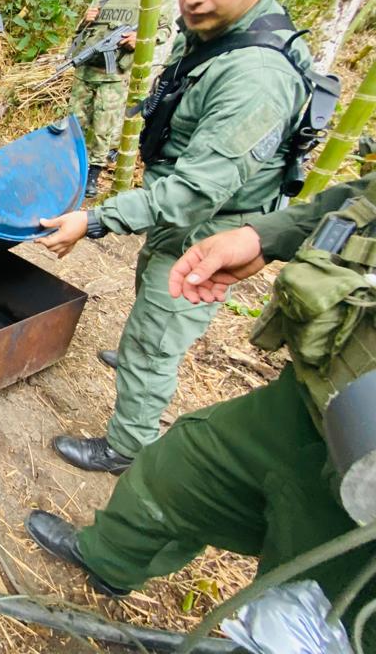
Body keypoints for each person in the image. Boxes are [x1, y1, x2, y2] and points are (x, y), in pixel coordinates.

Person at [25, 171, 376, 650]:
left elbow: (203, 180)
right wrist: (260, 238)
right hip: (323, 398)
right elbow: (360, 198)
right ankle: (108, 562)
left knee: (305, 614)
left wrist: (97, 219)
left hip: (366, 511)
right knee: (181, 467)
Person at [36, 0, 315, 474]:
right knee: (150, 316)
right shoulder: (222, 36)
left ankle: (125, 447)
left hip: (207, 235)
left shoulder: (257, 77)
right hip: (182, 224)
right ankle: (143, 354)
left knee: (155, 340)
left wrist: (96, 219)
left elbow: (193, 191)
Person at [67, 0, 166, 198]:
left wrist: (140, 38)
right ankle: (67, 168)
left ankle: (92, 175)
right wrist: (85, 19)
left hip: (113, 75)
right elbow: (80, 34)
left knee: (103, 127)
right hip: (87, 70)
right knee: (74, 122)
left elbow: (165, 29)